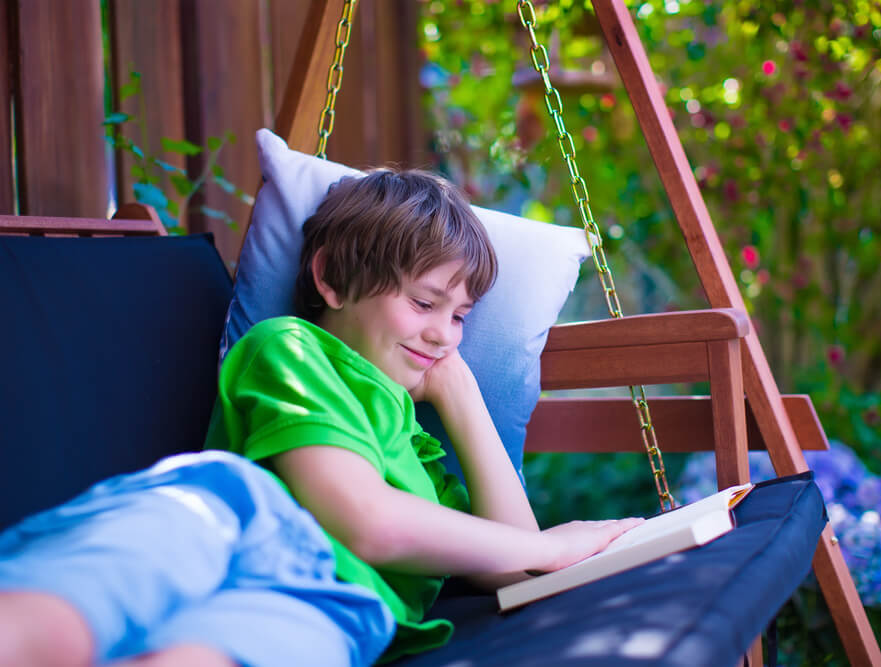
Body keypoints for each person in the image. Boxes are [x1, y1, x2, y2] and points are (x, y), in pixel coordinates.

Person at [0, 169, 641, 667]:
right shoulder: (294, 348)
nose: (445, 334)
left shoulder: (421, 454)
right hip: (232, 519)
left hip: (338, 605)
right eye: (424, 301)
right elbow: (367, 522)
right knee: (88, 596)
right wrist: (550, 546)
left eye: (461, 317)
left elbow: (512, 569)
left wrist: (463, 399)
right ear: (332, 279)